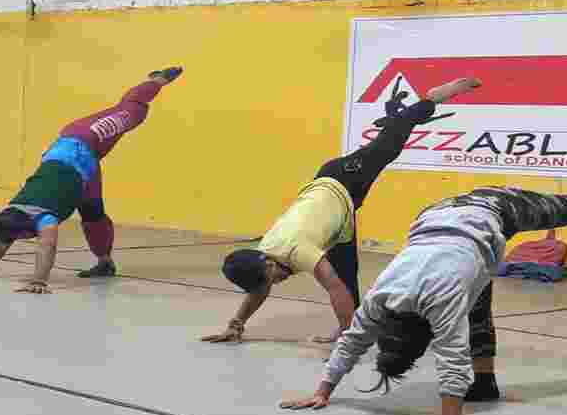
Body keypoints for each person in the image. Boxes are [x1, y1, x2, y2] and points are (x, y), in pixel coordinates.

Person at [280, 184, 567, 415]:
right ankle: (485, 382)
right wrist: (322, 391)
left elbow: (452, 354)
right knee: (475, 297)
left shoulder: (439, 301)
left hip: (495, 208)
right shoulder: (382, 297)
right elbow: (353, 340)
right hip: (441, 227)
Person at [204, 76, 480, 345]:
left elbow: (332, 286)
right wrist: (235, 324)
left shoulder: (297, 250)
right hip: (338, 221)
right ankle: (351, 327)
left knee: (390, 140)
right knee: (348, 275)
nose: (275, 283)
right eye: (269, 284)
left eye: (271, 280)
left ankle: (433, 98)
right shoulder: (266, 255)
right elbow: (259, 290)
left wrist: (349, 347)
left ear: (268, 263)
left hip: (344, 178)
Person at [0, 67, 183, 293]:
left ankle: (157, 81)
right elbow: (2, 238)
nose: (18, 239)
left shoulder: (44, 218)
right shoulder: (12, 210)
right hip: (84, 171)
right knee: (93, 216)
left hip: (84, 136)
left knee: (132, 112)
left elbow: (47, 246)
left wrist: (39, 281)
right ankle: (105, 263)